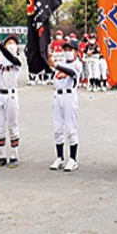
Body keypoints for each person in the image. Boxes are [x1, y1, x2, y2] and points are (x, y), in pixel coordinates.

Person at [0, 33, 23, 168]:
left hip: (11, 95)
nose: (11, 45)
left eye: (13, 43)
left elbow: (11, 58)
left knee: (12, 127)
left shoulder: (17, 60)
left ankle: (14, 155)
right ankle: (1, 156)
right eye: (9, 42)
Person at [48, 40, 82, 172]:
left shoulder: (77, 64)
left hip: (70, 95)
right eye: (66, 49)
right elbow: (53, 71)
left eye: (70, 49)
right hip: (58, 96)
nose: (67, 52)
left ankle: (73, 159)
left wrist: (56, 66)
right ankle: (60, 157)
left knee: (70, 128)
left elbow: (72, 73)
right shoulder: (60, 63)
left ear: (76, 51)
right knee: (57, 128)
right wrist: (50, 60)